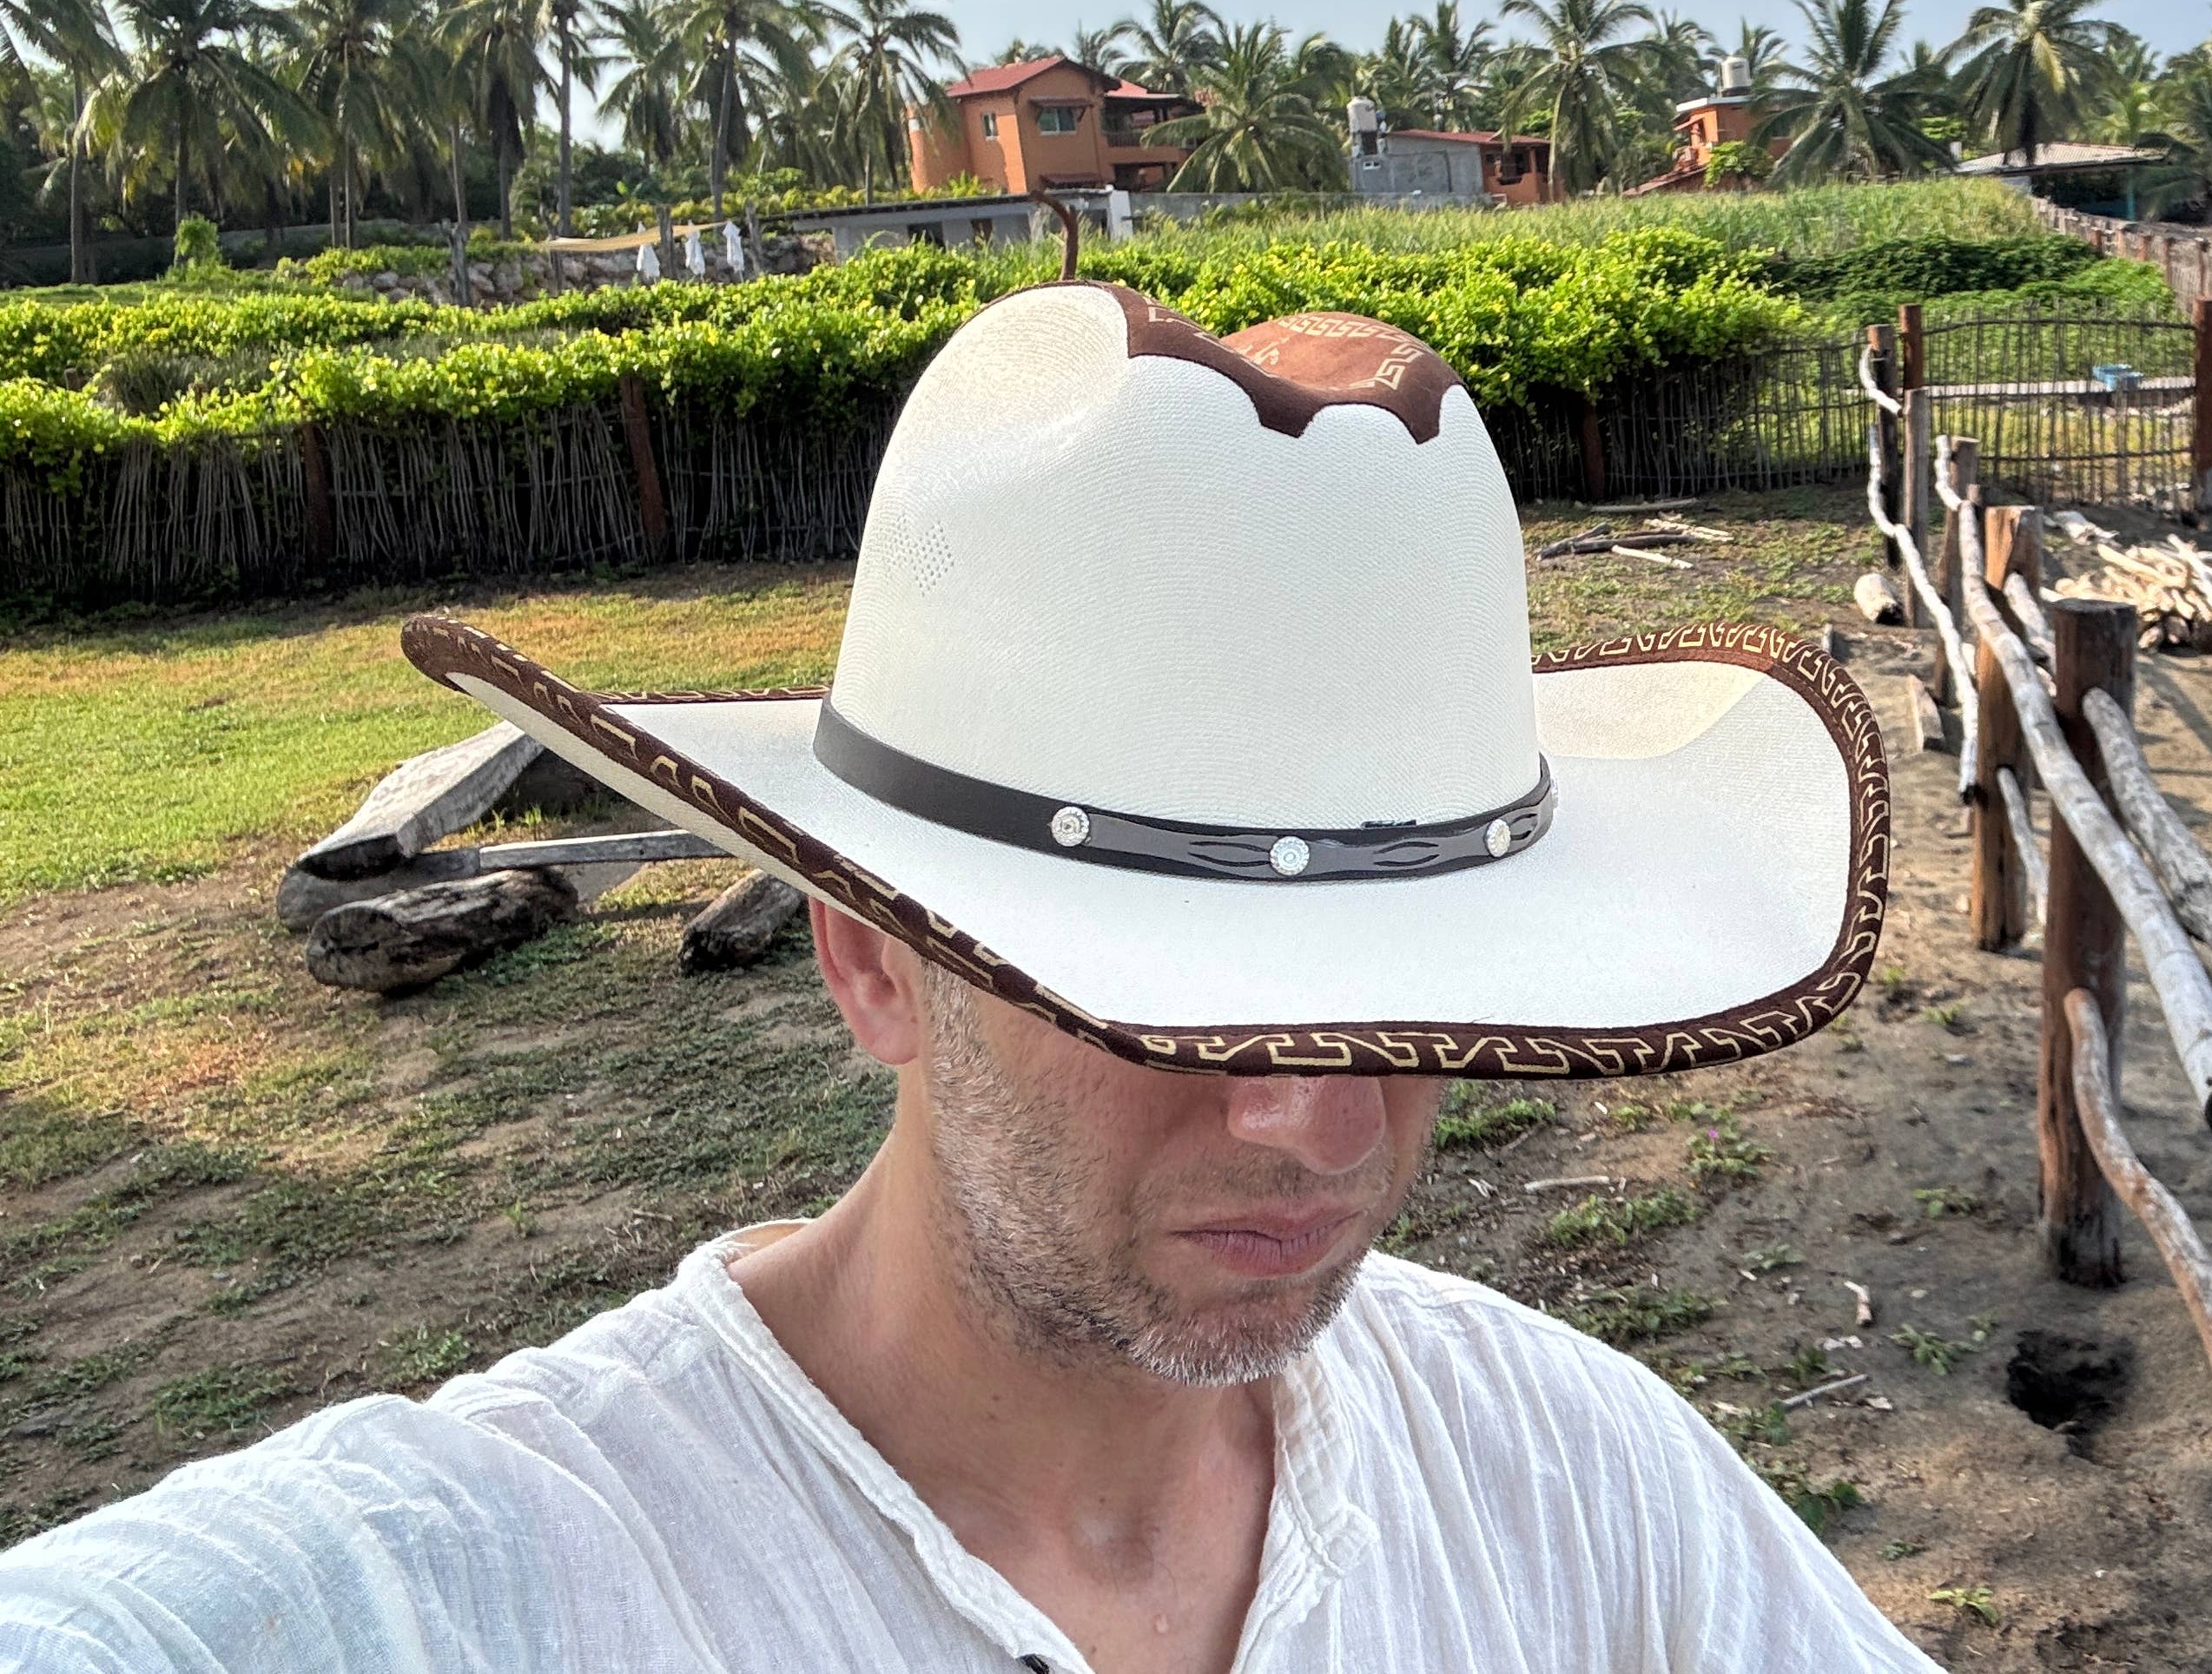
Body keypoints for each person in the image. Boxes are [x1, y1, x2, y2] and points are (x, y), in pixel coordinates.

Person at [0, 280, 1928, 1673]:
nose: (1322, 1121)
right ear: (869, 960)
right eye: (1163, 1004)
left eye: (1418, 991)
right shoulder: (491, 1572)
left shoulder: (1565, 1476)